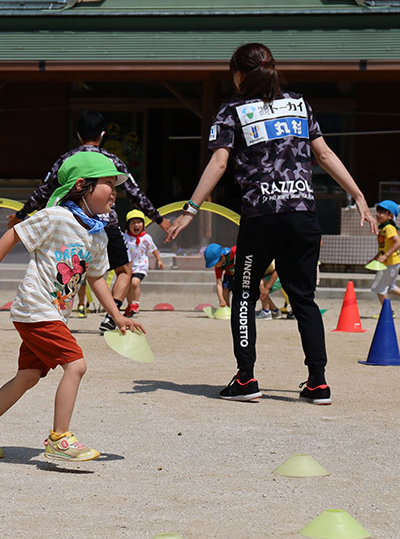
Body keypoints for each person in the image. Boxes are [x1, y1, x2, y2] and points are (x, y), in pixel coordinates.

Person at [169, 42, 374, 405]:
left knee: (244, 296)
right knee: (303, 298)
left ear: (239, 75)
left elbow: (219, 163)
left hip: (261, 217)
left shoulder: (232, 111)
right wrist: (358, 195)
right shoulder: (299, 103)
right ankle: (318, 383)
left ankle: (246, 379)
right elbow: (323, 154)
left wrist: (191, 209)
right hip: (303, 215)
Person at [0, 151, 144, 464]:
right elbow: (14, 233)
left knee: (29, 376)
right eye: (107, 184)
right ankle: (60, 438)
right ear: (81, 186)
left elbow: (97, 277)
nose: (115, 191)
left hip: (54, 312)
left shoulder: (97, 235)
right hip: (36, 307)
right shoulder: (56, 217)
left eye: (117, 186)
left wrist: (117, 314)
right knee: (76, 365)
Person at [14, 110, 171, 334]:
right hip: (107, 225)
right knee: (124, 271)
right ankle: (112, 315)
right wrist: (159, 218)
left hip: (72, 224)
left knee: (69, 270)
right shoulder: (111, 160)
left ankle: (48, 314)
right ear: (103, 134)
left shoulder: (67, 160)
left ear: (78, 135)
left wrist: (21, 214)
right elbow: (135, 193)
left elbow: (43, 190)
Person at [122, 209, 163, 316]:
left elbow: (154, 249)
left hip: (141, 266)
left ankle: (135, 304)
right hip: (128, 267)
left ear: (143, 225)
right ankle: (130, 305)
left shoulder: (146, 238)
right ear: (128, 225)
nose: (136, 225)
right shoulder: (125, 237)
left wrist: (159, 260)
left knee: (135, 283)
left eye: (139, 222)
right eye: (133, 222)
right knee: (127, 287)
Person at [371, 200, 400, 306]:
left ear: (390, 216)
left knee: (380, 289)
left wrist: (386, 256)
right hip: (390, 262)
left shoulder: (389, 228)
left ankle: (388, 313)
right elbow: (384, 247)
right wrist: (376, 257)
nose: (378, 214)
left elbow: (398, 242)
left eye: (382, 212)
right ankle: (387, 312)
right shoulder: (384, 227)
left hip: (390, 263)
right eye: (378, 211)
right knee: (391, 287)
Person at [203, 243, 236, 308]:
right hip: (230, 273)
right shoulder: (218, 267)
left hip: (243, 273)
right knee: (225, 288)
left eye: (215, 263)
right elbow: (219, 283)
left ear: (222, 257)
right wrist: (221, 300)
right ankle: (227, 307)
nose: (215, 266)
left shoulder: (232, 252)